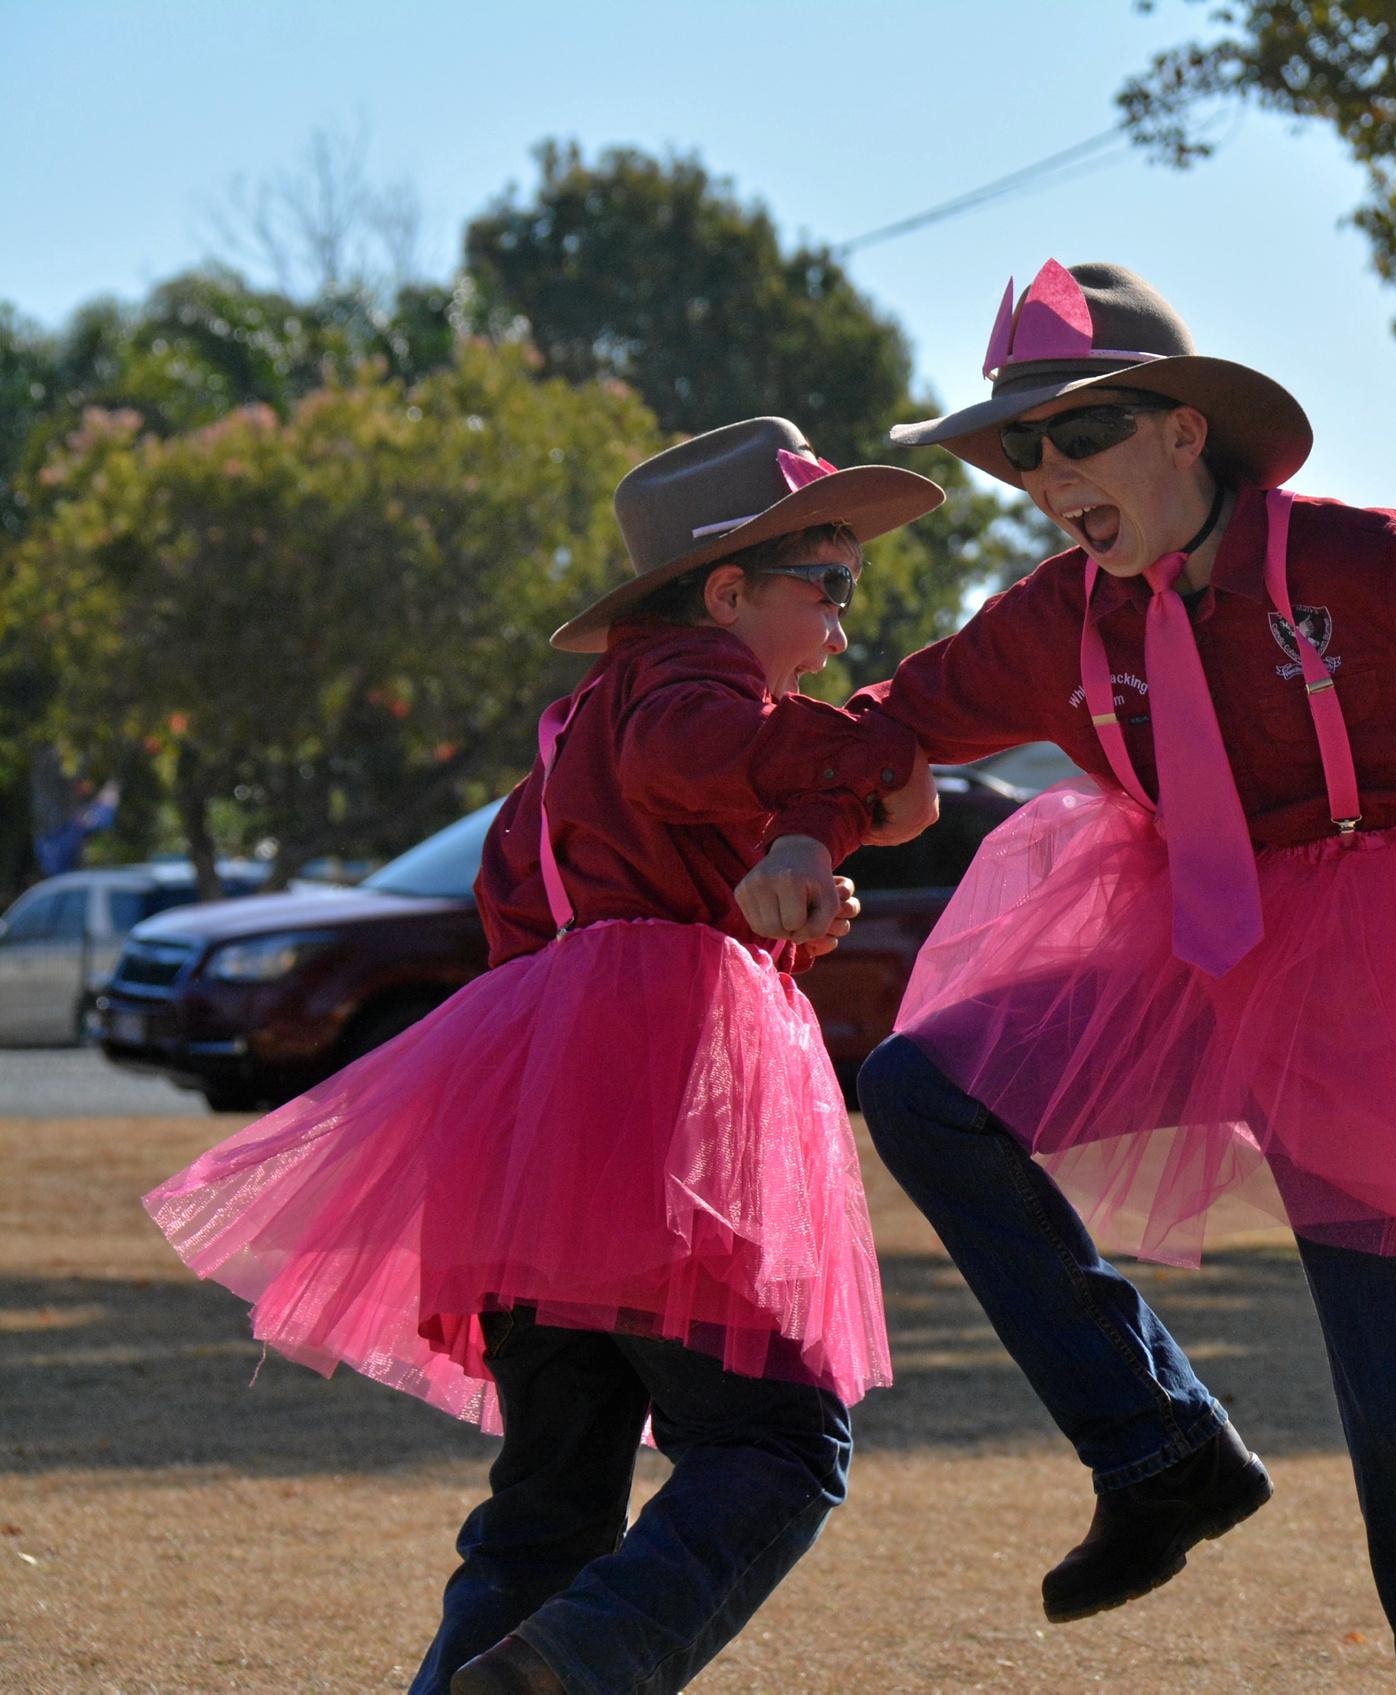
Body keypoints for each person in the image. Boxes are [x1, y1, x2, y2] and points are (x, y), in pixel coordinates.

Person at [852, 259, 1396, 1694]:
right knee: (919, 1087)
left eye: (1077, 433)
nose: (1042, 472)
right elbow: (883, 720)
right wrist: (760, 794)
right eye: (1019, 448)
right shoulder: (1053, 619)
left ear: (1184, 431)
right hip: (1190, 954)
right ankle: (1159, 1444)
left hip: (1390, 966)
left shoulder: (1369, 561)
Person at [144, 418, 942, 1695]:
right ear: (728, 592)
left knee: (548, 1510)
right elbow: (771, 760)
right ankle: (581, 1665)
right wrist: (862, 768)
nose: (846, 630)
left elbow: (551, 904)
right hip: (650, 1109)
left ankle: (513, 1666)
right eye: (831, 586)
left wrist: (773, 891)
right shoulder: (697, 691)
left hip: (536, 1140)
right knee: (783, 1441)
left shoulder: (575, 734)